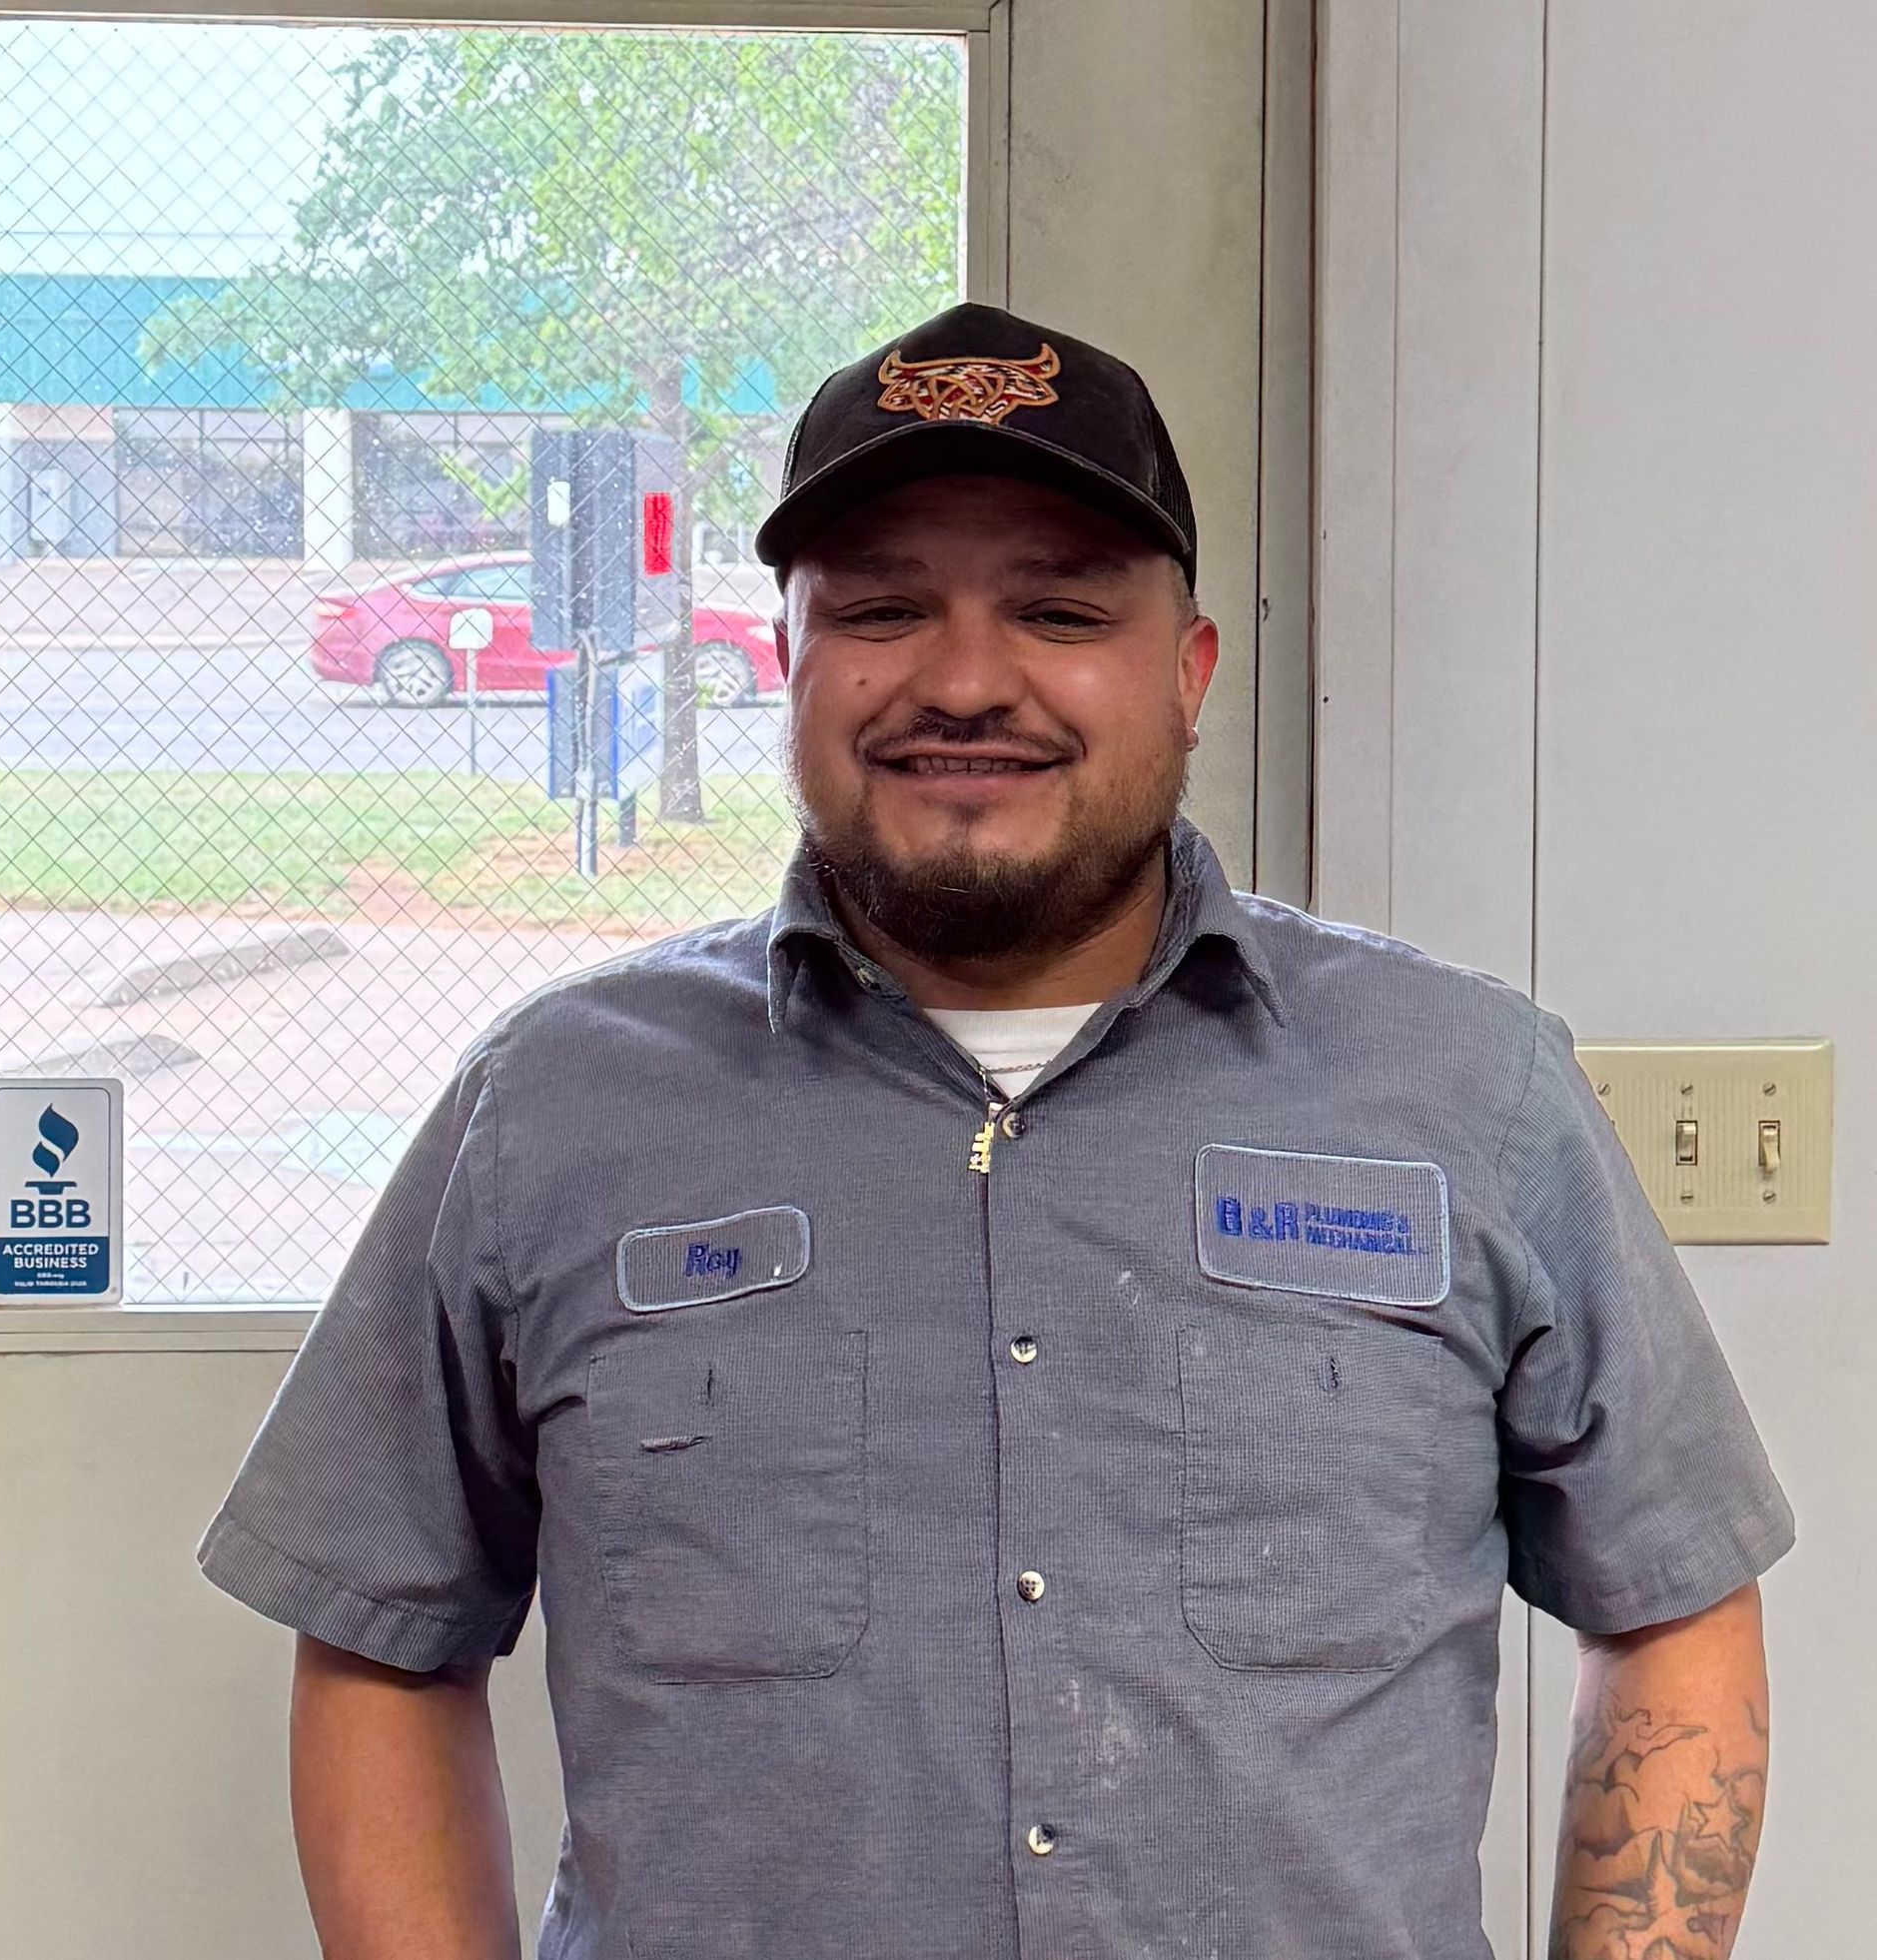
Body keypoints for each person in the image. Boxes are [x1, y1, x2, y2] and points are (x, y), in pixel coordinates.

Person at [198, 303, 1792, 1960]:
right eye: (883, 608)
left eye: (1059, 608)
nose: (965, 680)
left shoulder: (1471, 1091)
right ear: (792, 660)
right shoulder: (551, 1109)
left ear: (1188, 669)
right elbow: (384, 1639)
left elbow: (1674, 1596)